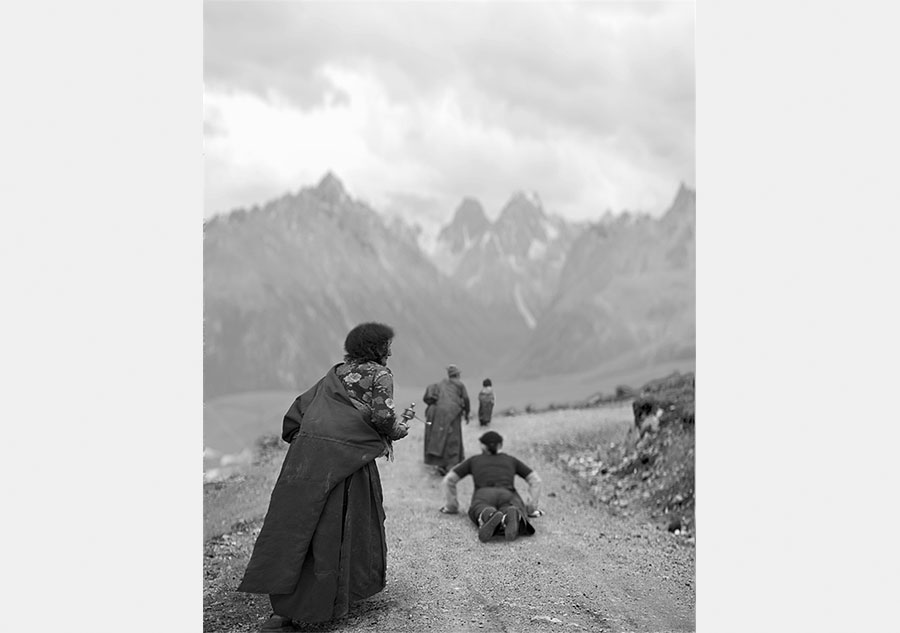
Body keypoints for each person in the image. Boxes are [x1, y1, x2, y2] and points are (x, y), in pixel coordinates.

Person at [237, 323, 413, 632]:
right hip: (348, 462)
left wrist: (313, 442)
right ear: (376, 347)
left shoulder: (337, 373)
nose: (390, 351)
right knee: (342, 526)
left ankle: (287, 608)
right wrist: (399, 431)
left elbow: (297, 413)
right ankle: (336, 598)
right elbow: (383, 417)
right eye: (387, 345)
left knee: (300, 527)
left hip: (308, 459)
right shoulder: (381, 375)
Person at [439, 431, 543, 542]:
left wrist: (451, 506)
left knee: (479, 507)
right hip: (507, 493)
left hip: (483, 493)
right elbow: (535, 480)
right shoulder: (511, 460)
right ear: (500, 445)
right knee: (512, 506)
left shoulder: (474, 460)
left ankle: (488, 515)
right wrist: (531, 509)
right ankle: (511, 516)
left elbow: (449, 480)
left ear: (483, 446)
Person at [423, 364, 470, 476]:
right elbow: (466, 399)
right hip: (454, 413)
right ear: (458, 374)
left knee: (441, 438)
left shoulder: (442, 384)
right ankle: (450, 465)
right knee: (453, 439)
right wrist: (467, 413)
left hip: (439, 413)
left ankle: (441, 464)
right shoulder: (460, 384)